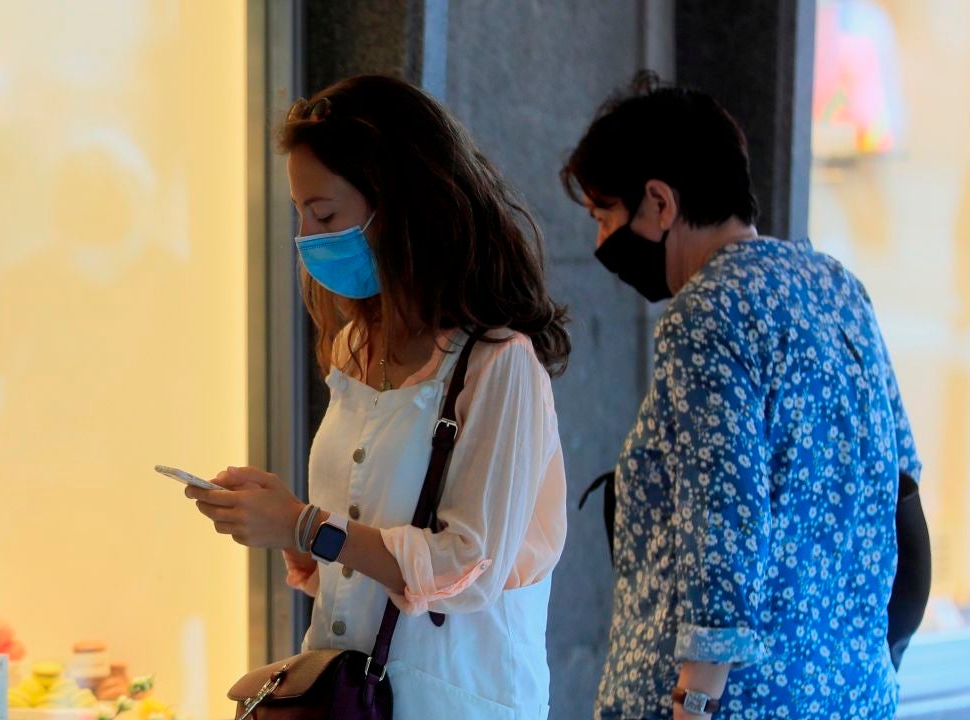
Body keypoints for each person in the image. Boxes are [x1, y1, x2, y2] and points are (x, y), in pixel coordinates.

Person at [185, 74, 570, 717]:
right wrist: (284, 523)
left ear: (401, 206)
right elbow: (352, 563)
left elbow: (467, 567)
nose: (307, 237)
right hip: (350, 696)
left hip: (452, 699)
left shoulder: (501, 365)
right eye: (300, 214)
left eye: (324, 214)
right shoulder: (355, 348)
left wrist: (304, 523)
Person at [562, 71, 921, 720]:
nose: (599, 243)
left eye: (604, 216)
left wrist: (695, 699)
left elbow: (722, 513)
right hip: (850, 695)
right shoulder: (839, 289)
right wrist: (873, 666)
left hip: (730, 703)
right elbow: (902, 494)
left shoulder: (706, 313)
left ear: (659, 203)